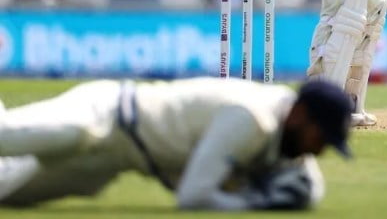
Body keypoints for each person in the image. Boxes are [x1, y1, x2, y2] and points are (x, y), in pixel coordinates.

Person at [0, 79, 353, 210]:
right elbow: (193, 196)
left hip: (110, 161)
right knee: (68, 132)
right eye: (321, 137)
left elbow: (307, 185)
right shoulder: (251, 118)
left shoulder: (286, 126)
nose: (319, 150)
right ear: (300, 115)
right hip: (105, 113)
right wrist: (252, 203)